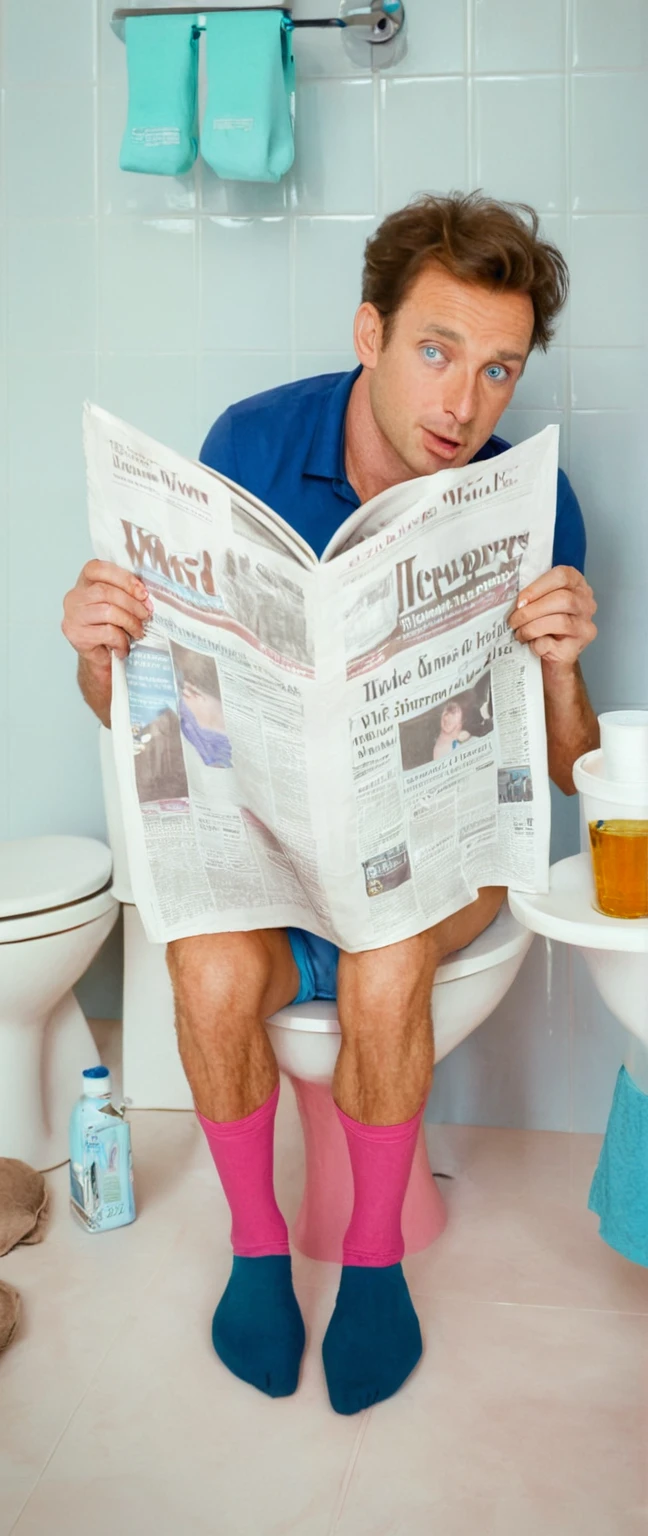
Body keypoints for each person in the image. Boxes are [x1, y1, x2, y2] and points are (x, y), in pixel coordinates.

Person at [62, 192, 599, 1416]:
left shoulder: (528, 505)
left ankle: (372, 1267)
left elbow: (570, 772)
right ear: (370, 333)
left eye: (499, 369)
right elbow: (141, 707)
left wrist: (563, 671)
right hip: (268, 846)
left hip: (427, 865)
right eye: (436, 350)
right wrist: (98, 652)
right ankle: (258, 1254)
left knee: (388, 963)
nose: (463, 404)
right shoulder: (248, 444)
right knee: (201, 968)